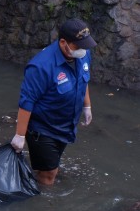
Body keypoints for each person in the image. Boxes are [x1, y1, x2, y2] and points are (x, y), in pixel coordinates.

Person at [11, 18, 96, 186]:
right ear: (63, 42)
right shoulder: (41, 66)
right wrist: (19, 135)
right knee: (50, 173)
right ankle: (42, 204)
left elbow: (83, 80)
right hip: (43, 128)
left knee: (46, 167)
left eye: (85, 45)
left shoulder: (84, 54)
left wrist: (87, 106)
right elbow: (27, 102)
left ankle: (39, 174)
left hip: (66, 125)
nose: (83, 50)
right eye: (78, 46)